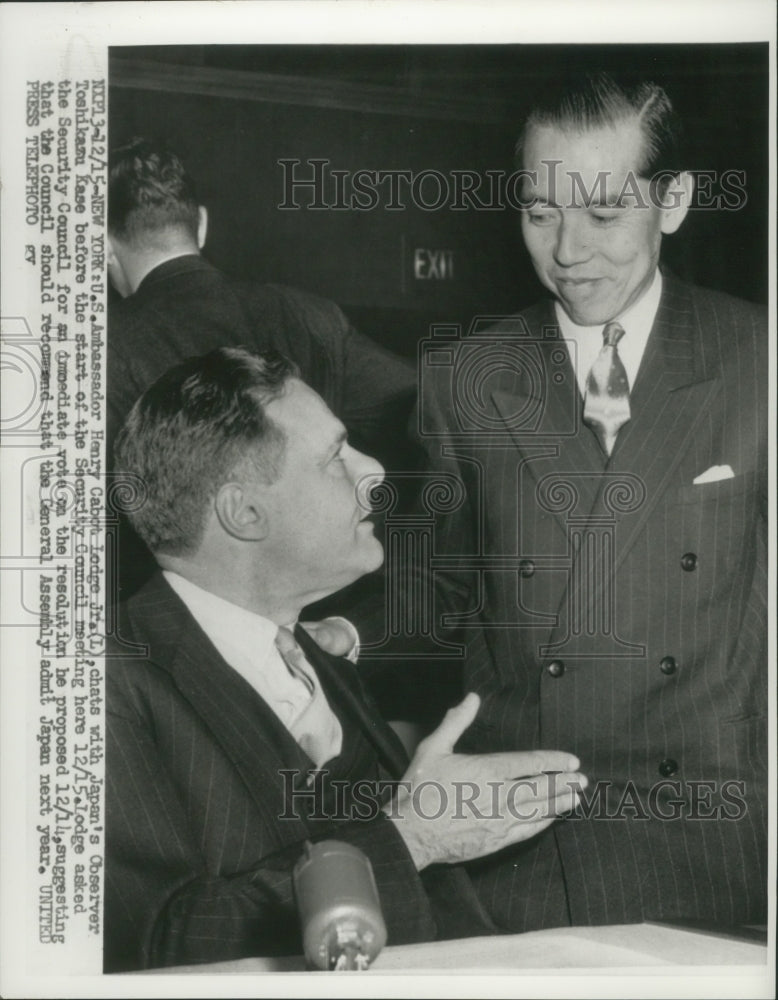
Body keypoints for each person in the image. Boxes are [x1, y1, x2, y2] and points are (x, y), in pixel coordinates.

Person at [104, 346, 586, 972]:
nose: (375, 470)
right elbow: (154, 943)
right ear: (244, 513)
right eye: (335, 458)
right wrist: (411, 837)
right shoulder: (101, 684)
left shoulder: (316, 657)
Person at [418, 72, 767, 932]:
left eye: (605, 214)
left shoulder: (759, 359)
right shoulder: (465, 378)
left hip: (714, 843)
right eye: (541, 213)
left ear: (674, 201)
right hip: (519, 843)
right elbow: (439, 587)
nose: (569, 251)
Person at [106, 137, 418, 599]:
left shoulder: (101, 346)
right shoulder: (307, 314)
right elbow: (431, 403)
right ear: (203, 224)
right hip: (317, 612)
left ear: (104, 247)